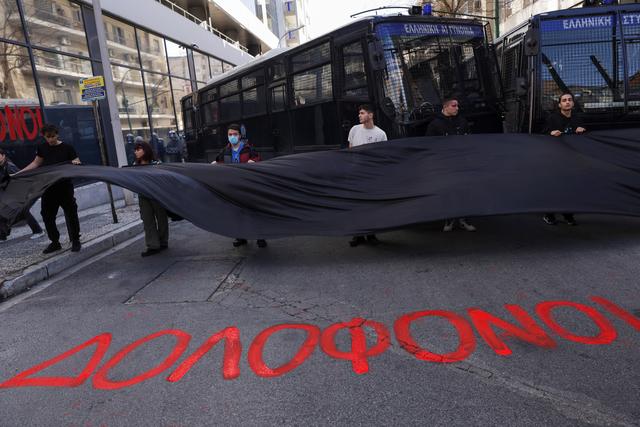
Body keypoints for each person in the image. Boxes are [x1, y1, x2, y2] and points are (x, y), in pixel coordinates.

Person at [19, 124, 82, 253]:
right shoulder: (42, 148)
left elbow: (77, 161)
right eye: (48, 137)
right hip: (48, 188)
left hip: (65, 188)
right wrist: (19, 173)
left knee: (71, 214)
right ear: (44, 137)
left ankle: (75, 240)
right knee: (47, 216)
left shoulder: (67, 148)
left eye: (53, 136)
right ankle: (55, 242)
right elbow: (36, 163)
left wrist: (76, 163)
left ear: (57, 134)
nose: (51, 139)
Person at [425, 98, 476, 232]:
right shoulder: (434, 124)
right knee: (448, 191)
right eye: (454, 106)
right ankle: (449, 219)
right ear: (446, 107)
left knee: (463, 191)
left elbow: (469, 140)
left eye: (457, 105)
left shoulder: (462, 121)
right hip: (445, 165)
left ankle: (464, 219)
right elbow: (428, 145)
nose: (457, 108)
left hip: (461, 163)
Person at [212, 123, 267, 249]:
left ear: (240, 135)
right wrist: (214, 164)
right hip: (233, 187)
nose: (232, 137)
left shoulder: (248, 149)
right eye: (230, 134)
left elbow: (258, 160)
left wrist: (254, 162)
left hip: (248, 186)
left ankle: (260, 236)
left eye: (235, 134)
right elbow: (218, 162)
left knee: (253, 212)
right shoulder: (225, 151)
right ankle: (240, 236)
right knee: (236, 212)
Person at [541, 92, 586, 226]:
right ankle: (549, 214)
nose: (567, 102)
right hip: (555, 159)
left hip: (572, 159)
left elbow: (587, 138)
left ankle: (568, 215)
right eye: (564, 100)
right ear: (560, 104)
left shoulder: (578, 119)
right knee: (554, 187)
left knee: (571, 187)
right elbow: (540, 135)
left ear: (573, 103)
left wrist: (583, 130)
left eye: (569, 100)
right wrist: (550, 133)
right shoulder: (552, 118)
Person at [347, 104, 388, 247]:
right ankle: (357, 235)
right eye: (359, 113)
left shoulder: (380, 134)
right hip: (356, 172)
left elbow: (382, 156)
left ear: (370, 115)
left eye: (362, 113)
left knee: (371, 205)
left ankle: (371, 234)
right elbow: (350, 149)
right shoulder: (354, 129)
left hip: (371, 174)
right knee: (356, 204)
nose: (359, 115)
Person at [134, 140, 169, 257]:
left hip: (157, 194)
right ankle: (153, 245)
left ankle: (163, 241)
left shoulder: (156, 163)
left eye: (138, 149)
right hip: (143, 195)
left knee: (161, 218)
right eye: (135, 149)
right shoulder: (135, 166)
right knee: (147, 219)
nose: (136, 152)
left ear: (145, 150)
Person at [0, 148, 44, 240]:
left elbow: (20, 180)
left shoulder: (9, 167)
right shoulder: (2, 166)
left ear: (3, 156)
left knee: (23, 211)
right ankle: (3, 235)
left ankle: (38, 231)